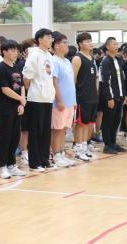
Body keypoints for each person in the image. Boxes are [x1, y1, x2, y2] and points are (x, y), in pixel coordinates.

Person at [0, 40, 28, 179]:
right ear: (4, 52)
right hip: (5, 108)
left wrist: (22, 103)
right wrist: (20, 99)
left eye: (16, 50)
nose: (15, 53)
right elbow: (5, 89)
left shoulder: (16, 68)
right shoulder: (0, 68)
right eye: (12, 50)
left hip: (16, 107)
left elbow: (21, 86)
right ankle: (1, 166)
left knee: (15, 137)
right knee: (5, 137)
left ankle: (11, 164)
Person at [23, 28, 55, 172]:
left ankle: (44, 160)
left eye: (51, 37)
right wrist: (32, 91)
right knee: (35, 131)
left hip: (47, 98)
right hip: (36, 98)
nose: (50, 40)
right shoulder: (34, 54)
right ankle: (35, 162)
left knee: (45, 131)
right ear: (40, 40)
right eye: (48, 37)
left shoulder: (48, 55)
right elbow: (27, 77)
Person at [49, 31, 77, 168]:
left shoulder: (66, 61)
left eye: (67, 42)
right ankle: (56, 155)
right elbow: (54, 82)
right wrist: (59, 100)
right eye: (64, 43)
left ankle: (61, 153)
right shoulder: (54, 61)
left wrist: (73, 101)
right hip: (59, 102)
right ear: (56, 46)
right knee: (57, 129)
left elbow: (70, 82)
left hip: (70, 101)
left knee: (64, 129)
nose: (67, 45)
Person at [71, 33, 98, 161]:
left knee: (88, 124)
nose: (90, 43)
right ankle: (78, 150)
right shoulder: (77, 58)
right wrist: (73, 97)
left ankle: (85, 147)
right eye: (87, 41)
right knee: (80, 124)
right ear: (80, 44)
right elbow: (73, 80)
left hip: (92, 96)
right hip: (81, 96)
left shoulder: (91, 58)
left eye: (90, 40)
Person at [99, 37, 127, 155]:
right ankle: (107, 145)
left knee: (116, 121)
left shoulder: (118, 60)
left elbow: (121, 80)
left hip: (119, 96)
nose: (116, 46)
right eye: (114, 44)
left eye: (117, 44)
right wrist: (109, 98)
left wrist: (124, 95)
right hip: (110, 97)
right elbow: (105, 82)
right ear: (107, 46)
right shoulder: (105, 61)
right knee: (108, 121)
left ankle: (113, 143)